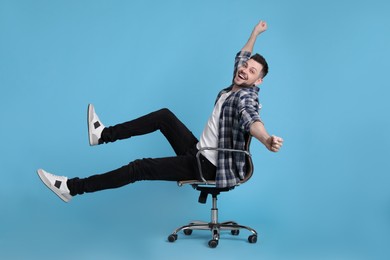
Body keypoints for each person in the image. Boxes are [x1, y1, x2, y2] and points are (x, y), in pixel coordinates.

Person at [37, 20, 284, 203]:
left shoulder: (244, 98)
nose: (244, 70)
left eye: (252, 72)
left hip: (208, 165)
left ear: (258, 81)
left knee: (139, 168)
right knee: (164, 116)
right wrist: (255, 33)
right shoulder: (235, 84)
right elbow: (242, 55)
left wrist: (266, 139)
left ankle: (72, 188)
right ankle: (102, 135)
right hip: (200, 150)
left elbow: (252, 120)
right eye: (245, 67)